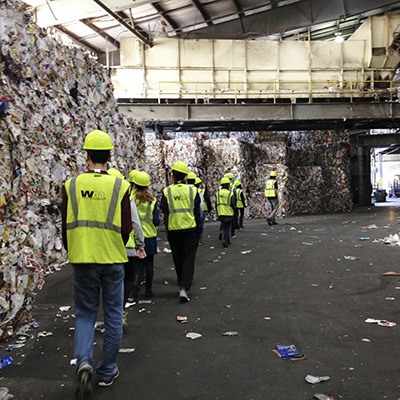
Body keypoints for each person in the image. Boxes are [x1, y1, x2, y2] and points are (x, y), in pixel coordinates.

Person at [61, 130, 132, 399]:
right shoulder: (120, 186)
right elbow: (125, 227)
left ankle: (84, 362)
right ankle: (106, 370)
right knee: (113, 315)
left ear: (87, 155)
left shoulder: (71, 185)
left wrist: (75, 250)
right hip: (112, 259)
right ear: (110, 156)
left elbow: (64, 226)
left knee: (85, 314)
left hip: (83, 259)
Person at [160, 161, 201, 302]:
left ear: (172, 175)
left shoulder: (167, 191)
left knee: (177, 257)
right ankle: (185, 287)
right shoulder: (193, 190)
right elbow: (197, 212)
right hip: (190, 229)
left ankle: (180, 279)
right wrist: (198, 230)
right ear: (185, 176)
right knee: (189, 258)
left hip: (174, 230)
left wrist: (167, 229)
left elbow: (165, 213)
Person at [108, 169, 145, 325]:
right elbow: (135, 224)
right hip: (127, 248)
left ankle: (113, 312)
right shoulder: (127, 199)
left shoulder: (102, 200)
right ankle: (120, 309)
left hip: (107, 249)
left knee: (110, 282)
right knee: (128, 278)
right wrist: (140, 244)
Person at [129, 170, 160, 299]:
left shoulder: (132, 199)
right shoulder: (152, 200)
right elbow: (156, 220)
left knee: (138, 264)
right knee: (149, 264)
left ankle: (135, 288)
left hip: (137, 236)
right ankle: (149, 289)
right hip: (150, 236)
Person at [216, 177, 235, 248]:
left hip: (221, 212)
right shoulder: (230, 193)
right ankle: (226, 240)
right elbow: (233, 203)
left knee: (223, 226)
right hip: (229, 213)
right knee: (228, 227)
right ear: (227, 185)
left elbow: (216, 203)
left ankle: (223, 236)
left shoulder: (217, 193)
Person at [194, 177, 212, 245]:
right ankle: (199, 239)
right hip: (203, 210)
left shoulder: (191, 191)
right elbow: (208, 200)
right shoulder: (203, 191)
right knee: (200, 225)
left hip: (194, 210)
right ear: (199, 184)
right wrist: (209, 209)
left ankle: (195, 239)